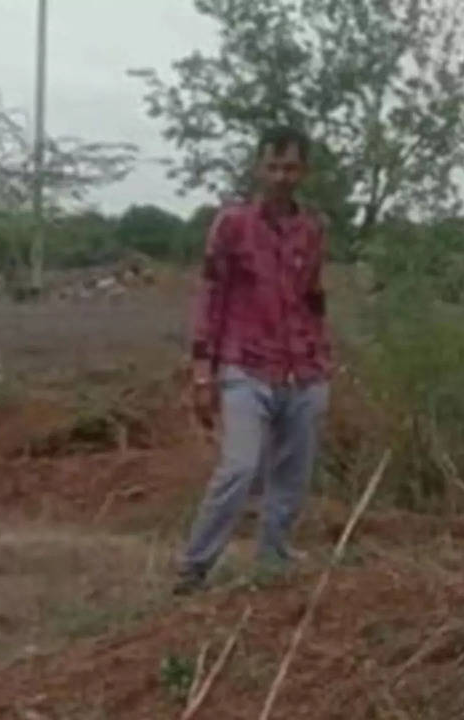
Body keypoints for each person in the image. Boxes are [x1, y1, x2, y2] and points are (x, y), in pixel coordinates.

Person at [174, 126, 331, 596]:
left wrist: (323, 357)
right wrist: (202, 370)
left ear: (304, 170)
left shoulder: (312, 228)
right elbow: (211, 296)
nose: (282, 176)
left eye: (292, 167)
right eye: (274, 166)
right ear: (259, 167)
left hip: (302, 367)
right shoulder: (233, 224)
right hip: (245, 363)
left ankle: (274, 558)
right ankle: (194, 566)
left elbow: (314, 298)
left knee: (293, 474)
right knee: (240, 467)